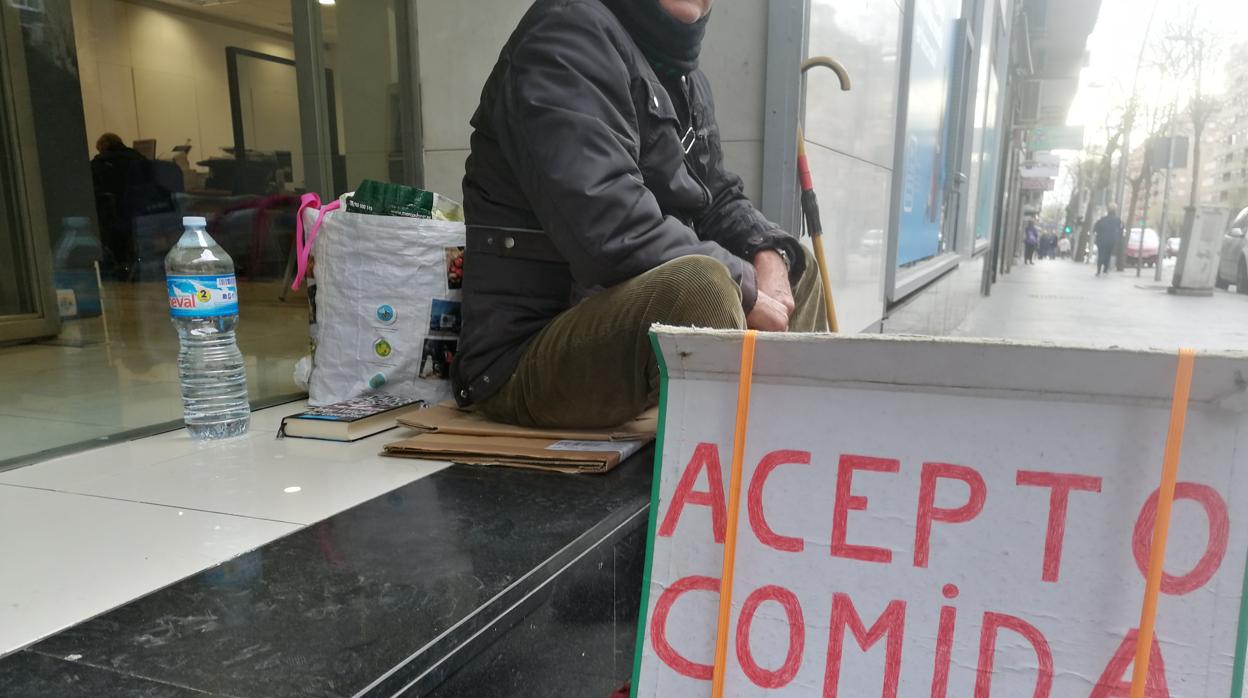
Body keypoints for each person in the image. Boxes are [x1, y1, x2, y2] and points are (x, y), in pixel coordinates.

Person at [452, 0, 826, 429]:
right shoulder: (563, 38)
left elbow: (717, 198)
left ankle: (790, 444)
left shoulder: (680, 75)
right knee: (703, 289)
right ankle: (714, 479)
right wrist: (747, 289)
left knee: (798, 266)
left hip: (612, 323)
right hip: (523, 355)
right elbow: (612, 229)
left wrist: (769, 253)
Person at [91, 133, 147, 277]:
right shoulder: (137, 158)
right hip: (141, 211)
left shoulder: (99, 163)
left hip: (115, 214)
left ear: (102, 147)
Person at [1093, 204, 1123, 276]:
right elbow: (1120, 230)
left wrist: (1097, 235)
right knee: (1108, 254)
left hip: (1101, 240)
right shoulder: (1117, 220)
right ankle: (1105, 270)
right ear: (1115, 211)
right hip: (1111, 240)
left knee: (1101, 254)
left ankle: (1098, 270)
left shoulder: (1102, 219)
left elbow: (1095, 229)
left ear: (1108, 211)